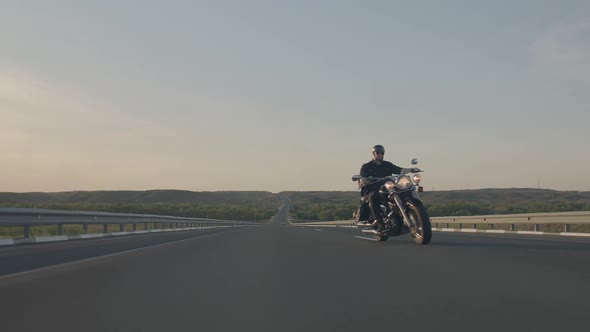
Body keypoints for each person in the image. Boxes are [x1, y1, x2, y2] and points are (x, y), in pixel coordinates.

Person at [356, 145, 415, 231]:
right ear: (373, 153)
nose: (380, 154)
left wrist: (411, 170)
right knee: (373, 197)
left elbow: (399, 170)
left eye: (382, 153)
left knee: (403, 192)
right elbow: (362, 176)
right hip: (374, 188)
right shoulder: (366, 166)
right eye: (378, 152)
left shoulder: (387, 164)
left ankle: (402, 217)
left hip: (388, 187)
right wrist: (362, 180)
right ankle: (380, 223)